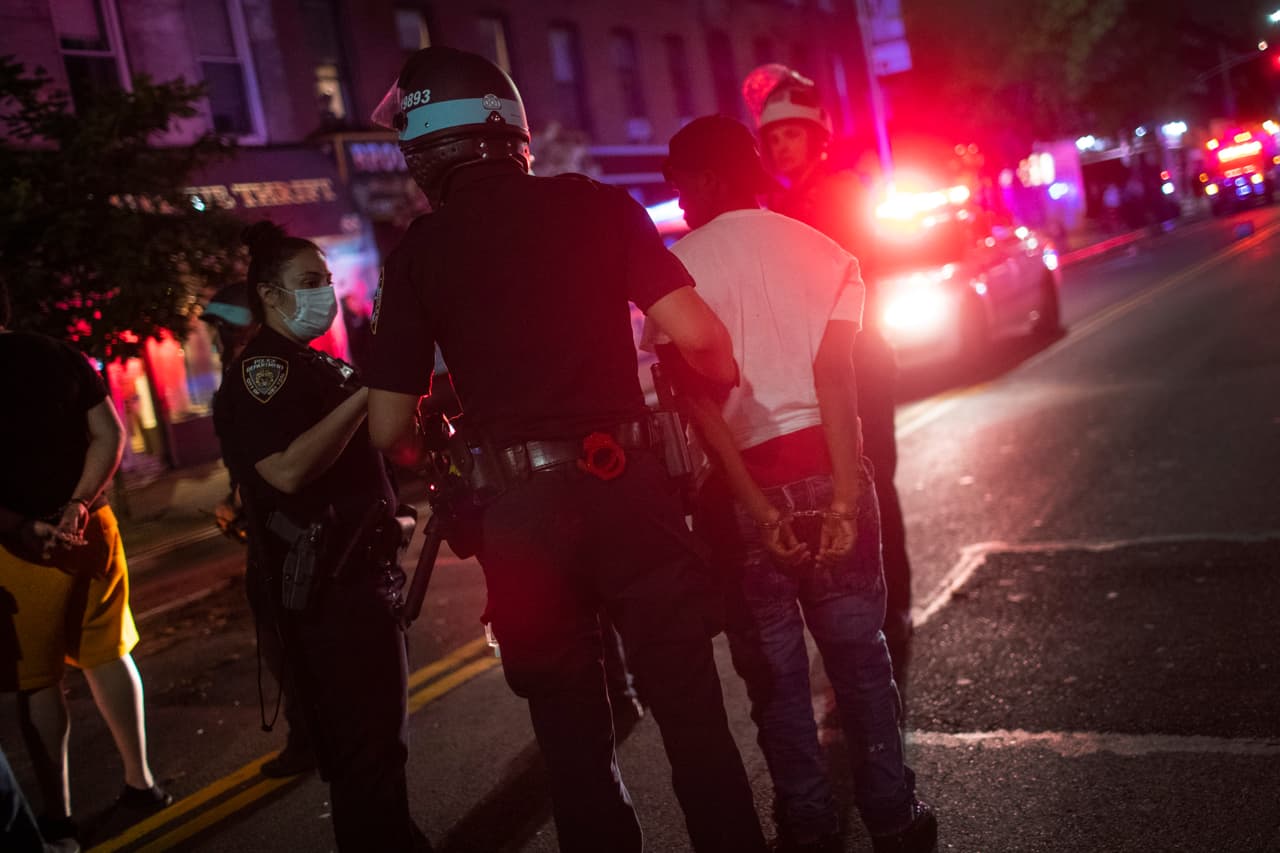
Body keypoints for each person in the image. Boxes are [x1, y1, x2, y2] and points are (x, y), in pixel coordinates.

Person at [364, 47, 766, 853]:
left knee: (573, 743)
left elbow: (384, 428)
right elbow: (702, 339)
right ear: (509, 131)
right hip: (630, 490)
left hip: (521, 520)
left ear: (425, 152)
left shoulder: (417, 254)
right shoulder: (599, 206)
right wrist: (709, 391)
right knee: (693, 715)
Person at [649, 115, 937, 853]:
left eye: (680, 181)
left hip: (743, 496)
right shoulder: (826, 251)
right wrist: (843, 497)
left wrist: (755, 504)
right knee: (861, 660)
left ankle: (807, 826)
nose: (677, 197)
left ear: (708, 176)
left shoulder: (675, 273)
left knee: (776, 681)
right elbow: (834, 377)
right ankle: (893, 813)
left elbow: (697, 405)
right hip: (830, 467)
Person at [211, 222, 426, 851]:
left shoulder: (317, 364)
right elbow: (284, 469)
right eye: (308, 282)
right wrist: (364, 395)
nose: (323, 293)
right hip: (330, 588)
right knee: (365, 751)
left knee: (382, 743)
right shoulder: (265, 372)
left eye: (326, 280)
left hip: (363, 575)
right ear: (269, 294)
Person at [743, 64, 916, 696]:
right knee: (835, 488)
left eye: (792, 133)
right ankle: (858, 613)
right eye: (774, 136)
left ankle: (891, 609)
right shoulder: (781, 202)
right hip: (816, 371)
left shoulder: (839, 191)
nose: (782, 145)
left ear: (817, 137)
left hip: (858, 361)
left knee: (871, 483)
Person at [0, 281, 171, 847]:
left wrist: (21, 526)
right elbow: (109, 434)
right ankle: (142, 783)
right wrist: (78, 504)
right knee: (109, 654)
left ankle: (58, 820)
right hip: (92, 529)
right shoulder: (59, 354)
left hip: (20, 549)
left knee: (38, 682)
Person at [200, 282, 314, 778]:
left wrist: (239, 501)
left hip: (282, 528)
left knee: (284, 636)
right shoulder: (257, 372)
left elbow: (266, 456)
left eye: (226, 329)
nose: (220, 339)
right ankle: (316, 732)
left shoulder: (255, 377)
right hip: (273, 523)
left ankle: (310, 737)